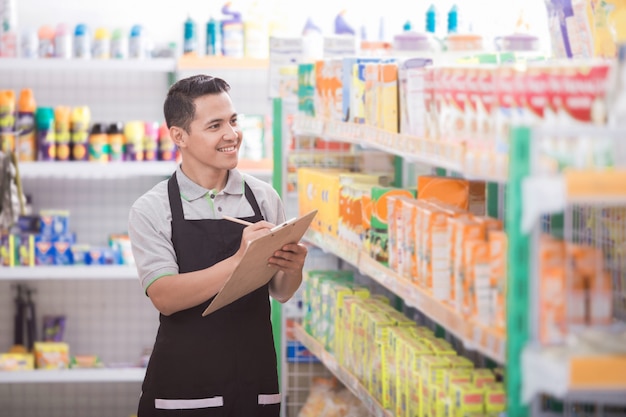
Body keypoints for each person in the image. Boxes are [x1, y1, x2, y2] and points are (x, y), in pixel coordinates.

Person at [128, 74, 308, 417]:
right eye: (215, 125)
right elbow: (165, 297)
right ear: (179, 136)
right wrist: (240, 259)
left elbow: (281, 292)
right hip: (183, 390)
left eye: (233, 121)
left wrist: (292, 267)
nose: (232, 135)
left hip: (254, 384)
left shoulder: (263, 197)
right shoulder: (153, 208)